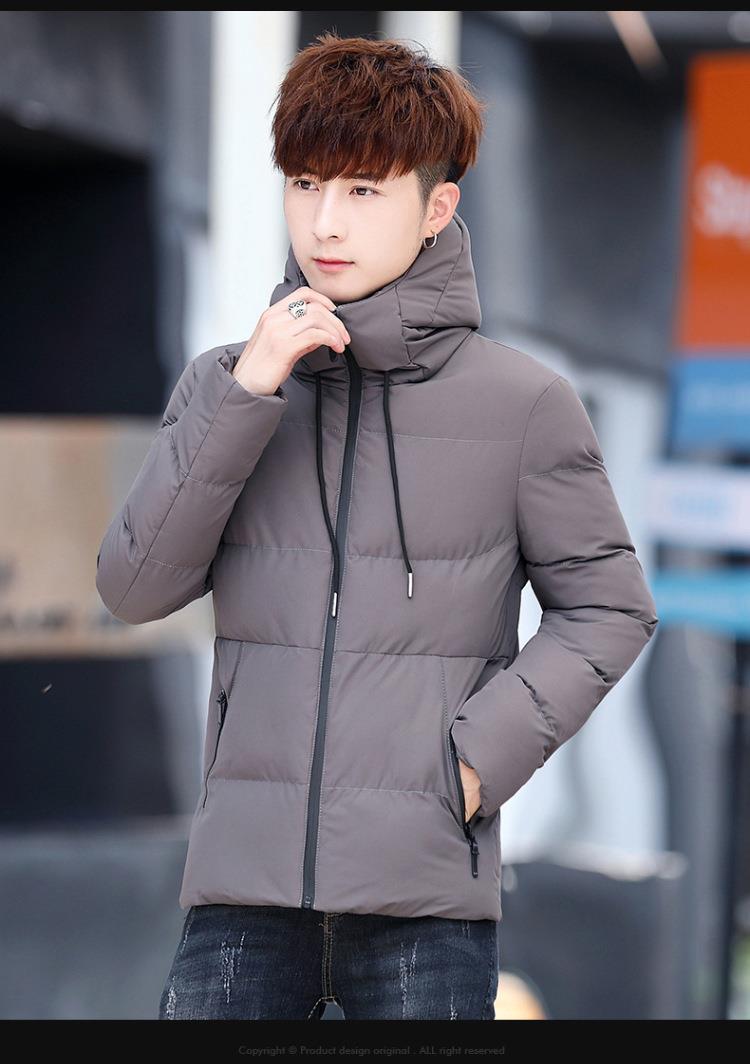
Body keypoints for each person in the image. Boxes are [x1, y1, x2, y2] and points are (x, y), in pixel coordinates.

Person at [96, 32, 659, 1020]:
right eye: (306, 183)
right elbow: (134, 587)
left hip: (423, 906)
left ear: (437, 208)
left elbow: (610, 608)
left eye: (363, 190)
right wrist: (247, 396)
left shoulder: (525, 405)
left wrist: (472, 764)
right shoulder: (227, 385)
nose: (326, 221)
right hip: (241, 897)